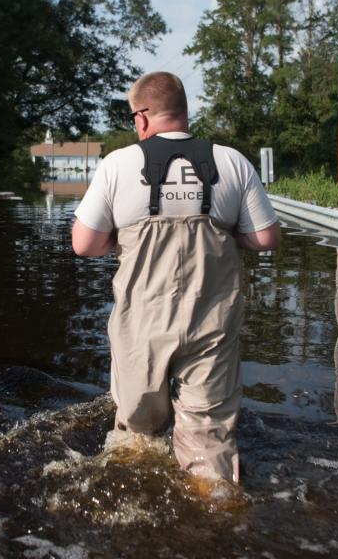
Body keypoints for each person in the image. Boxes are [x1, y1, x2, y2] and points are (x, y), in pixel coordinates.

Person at [72, 71, 280, 484]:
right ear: (184, 112)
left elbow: (84, 244)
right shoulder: (232, 161)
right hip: (212, 325)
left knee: (137, 437)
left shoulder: (119, 164)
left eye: (134, 117)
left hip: (142, 327)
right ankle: (217, 514)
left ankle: (141, 510)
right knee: (209, 441)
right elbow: (266, 237)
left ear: (143, 117)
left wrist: (121, 238)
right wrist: (227, 232)